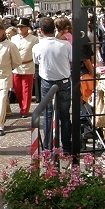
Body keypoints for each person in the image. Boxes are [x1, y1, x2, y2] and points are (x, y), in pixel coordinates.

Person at [33, 17, 72, 154]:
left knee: (48, 114)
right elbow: (71, 59)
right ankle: (67, 147)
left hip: (48, 82)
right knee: (65, 115)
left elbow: (36, 61)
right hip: (64, 81)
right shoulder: (65, 45)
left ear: (41, 30)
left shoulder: (37, 46)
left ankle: (49, 147)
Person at [0, 19, 22, 137]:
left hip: (4, 77)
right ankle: (0, 121)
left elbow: (17, 62)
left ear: (3, 31)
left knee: (2, 101)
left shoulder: (10, 45)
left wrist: (8, 69)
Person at [11, 17, 39, 118]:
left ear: (27, 28)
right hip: (16, 67)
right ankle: (21, 105)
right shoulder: (14, 38)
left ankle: (24, 110)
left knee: (26, 90)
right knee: (17, 89)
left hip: (28, 66)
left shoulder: (34, 39)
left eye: (22, 27)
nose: (20, 29)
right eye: (19, 27)